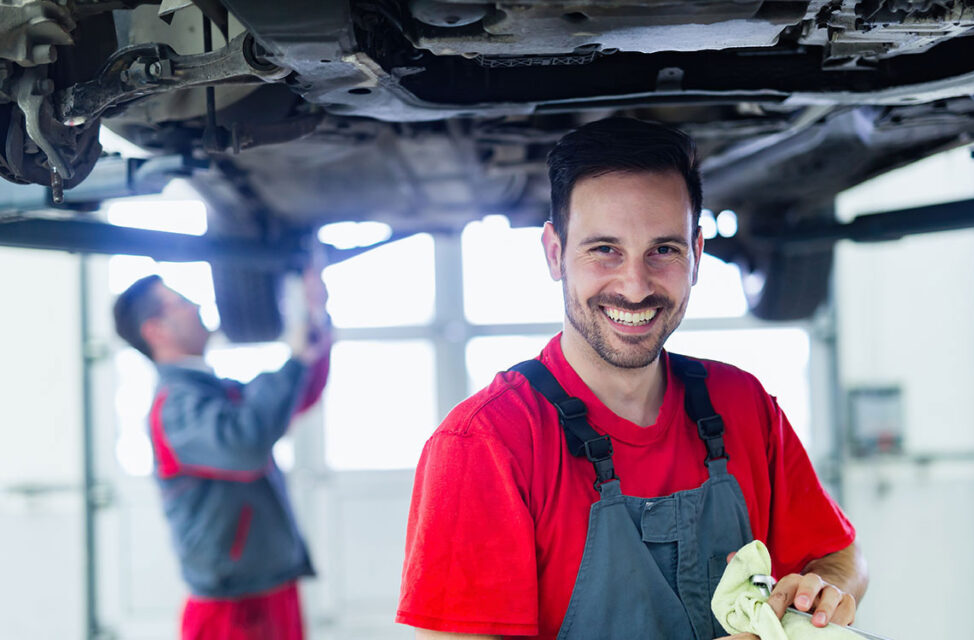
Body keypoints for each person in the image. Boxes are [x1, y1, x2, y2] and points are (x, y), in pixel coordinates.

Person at [396, 117, 868, 640]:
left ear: (697, 256)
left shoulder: (742, 404)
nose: (636, 285)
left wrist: (819, 591)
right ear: (555, 254)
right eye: (605, 250)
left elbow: (839, 552)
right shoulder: (487, 443)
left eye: (663, 250)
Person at [113, 265, 332, 640]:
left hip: (267, 587)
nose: (196, 306)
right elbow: (244, 445)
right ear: (156, 331)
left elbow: (292, 397)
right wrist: (295, 361)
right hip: (232, 609)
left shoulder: (211, 391)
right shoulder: (176, 407)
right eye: (180, 303)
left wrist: (315, 315)